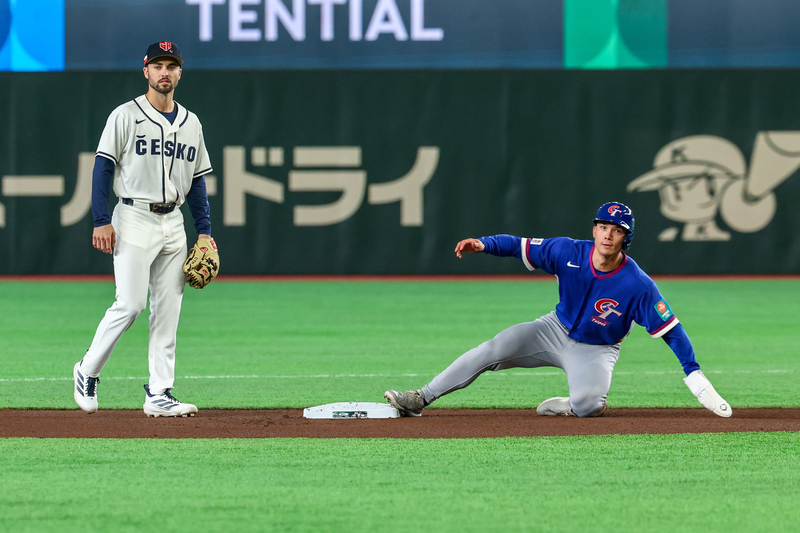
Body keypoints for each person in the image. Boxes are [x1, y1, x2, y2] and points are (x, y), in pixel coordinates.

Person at [385, 202, 732, 418]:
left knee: (588, 406)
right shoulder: (568, 251)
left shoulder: (637, 284)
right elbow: (518, 244)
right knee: (491, 349)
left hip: (597, 349)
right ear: (594, 229)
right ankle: (420, 397)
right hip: (552, 329)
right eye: (603, 227)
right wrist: (484, 244)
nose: (608, 235)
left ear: (626, 238)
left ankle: (569, 404)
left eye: (617, 231)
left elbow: (670, 329)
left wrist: (693, 371)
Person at [73, 41, 214, 417]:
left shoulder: (192, 122)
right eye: (158, 66)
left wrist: (204, 230)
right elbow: (103, 168)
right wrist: (101, 219)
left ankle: (159, 392)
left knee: (169, 309)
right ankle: (87, 370)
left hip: (174, 221)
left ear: (180, 73)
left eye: (172, 65)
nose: (164, 72)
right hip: (133, 216)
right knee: (131, 303)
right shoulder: (125, 115)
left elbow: (197, 181)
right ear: (146, 71)